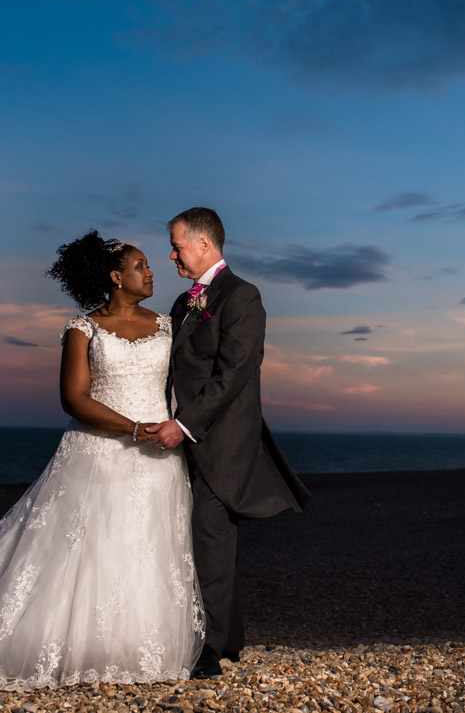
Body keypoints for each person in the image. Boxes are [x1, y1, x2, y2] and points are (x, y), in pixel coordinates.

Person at [0, 231, 204, 689]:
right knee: (86, 545)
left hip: (159, 459)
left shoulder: (167, 325)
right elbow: (74, 399)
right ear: (116, 277)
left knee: (146, 546)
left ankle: (133, 645)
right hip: (97, 452)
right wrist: (136, 428)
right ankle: (59, 645)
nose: (152, 271)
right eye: (141, 266)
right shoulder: (84, 329)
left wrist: (175, 429)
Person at [144, 207, 311, 679]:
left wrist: (185, 424)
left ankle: (209, 649)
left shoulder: (243, 296)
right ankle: (230, 637)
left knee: (209, 538)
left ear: (204, 244)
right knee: (200, 539)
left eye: (177, 245)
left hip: (221, 441)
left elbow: (235, 374)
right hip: (182, 440)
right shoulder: (182, 303)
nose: (172, 254)